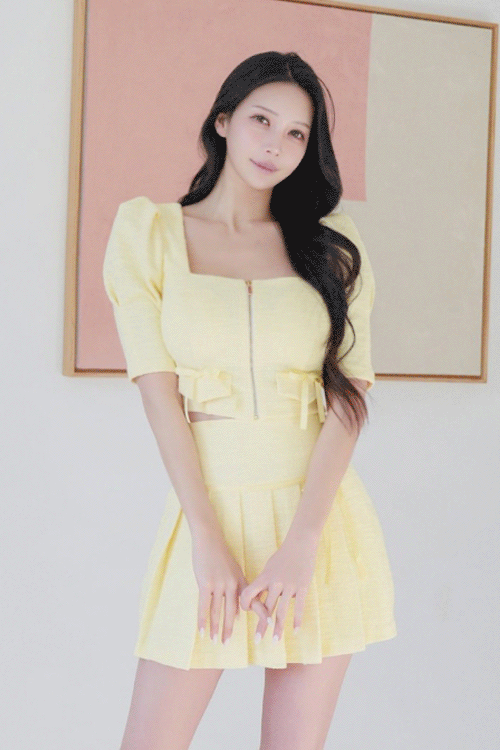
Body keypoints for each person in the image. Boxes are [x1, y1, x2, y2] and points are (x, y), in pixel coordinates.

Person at [103, 50, 397, 750]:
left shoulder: (334, 246)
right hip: (210, 517)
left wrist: (303, 543)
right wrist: (205, 536)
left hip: (318, 524)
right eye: (262, 120)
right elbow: (159, 395)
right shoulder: (149, 234)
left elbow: (349, 395)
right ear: (223, 121)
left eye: (297, 133)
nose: (276, 144)